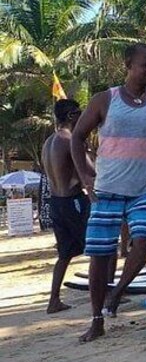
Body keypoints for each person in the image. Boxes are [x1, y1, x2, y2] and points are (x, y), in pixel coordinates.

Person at [71, 43, 146, 342]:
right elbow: (77, 137)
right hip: (107, 190)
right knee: (101, 255)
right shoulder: (105, 100)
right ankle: (96, 319)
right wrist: (86, 179)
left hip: (144, 187)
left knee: (144, 240)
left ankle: (117, 293)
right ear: (129, 65)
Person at [41, 99, 94, 314]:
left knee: (64, 254)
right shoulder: (72, 140)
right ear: (72, 116)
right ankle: (105, 292)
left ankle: (54, 299)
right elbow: (90, 171)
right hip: (73, 201)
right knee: (100, 249)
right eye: (80, 113)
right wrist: (90, 152)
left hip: (56, 202)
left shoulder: (49, 142)